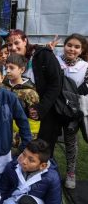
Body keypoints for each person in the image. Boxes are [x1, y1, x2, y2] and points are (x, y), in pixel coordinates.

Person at [6, 29, 62, 155]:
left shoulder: (43, 55)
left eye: (17, 42)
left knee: (41, 152)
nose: (13, 47)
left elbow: (56, 84)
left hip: (46, 114)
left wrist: (41, 108)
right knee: (24, 151)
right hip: (24, 115)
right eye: (10, 44)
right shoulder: (16, 60)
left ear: (25, 41)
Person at [55, 33, 88, 189]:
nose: (72, 49)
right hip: (54, 110)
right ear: (64, 45)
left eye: (77, 47)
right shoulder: (55, 60)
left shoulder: (85, 67)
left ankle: (70, 173)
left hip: (72, 113)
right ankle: (47, 168)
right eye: (69, 45)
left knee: (71, 143)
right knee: (48, 141)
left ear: (81, 50)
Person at [0, 139, 62, 204]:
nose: (24, 161)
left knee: (26, 201)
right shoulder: (11, 167)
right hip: (12, 201)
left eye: (31, 160)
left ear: (42, 166)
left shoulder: (52, 178)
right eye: (23, 154)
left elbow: (54, 201)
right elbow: (2, 192)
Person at [3, 53, 40, 148]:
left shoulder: (30, 92)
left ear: (22, 70)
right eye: (6, 68)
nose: (7, 71)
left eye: (11, 68)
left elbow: (34, 122)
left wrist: (27, 141)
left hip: (20, 137)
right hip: (2, 132)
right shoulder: (2, 86)